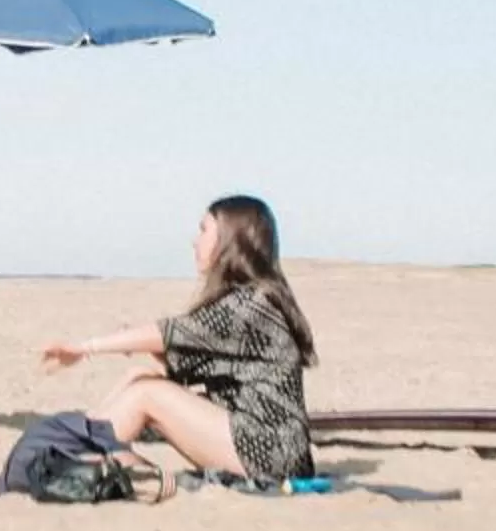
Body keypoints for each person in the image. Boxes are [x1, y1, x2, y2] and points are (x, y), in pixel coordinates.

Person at [39, 195, 316, 485]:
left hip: (269, 451)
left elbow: (169, 333)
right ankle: (77, 447)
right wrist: (135, 347)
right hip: (260, 443)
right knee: (142, 378)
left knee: (147, 394)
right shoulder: (247, 298)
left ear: (229, 239)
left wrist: (84, 349)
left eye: (204, 230)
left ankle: (73, 457)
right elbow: (182, 352)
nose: (195, 241)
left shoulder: (251, 305)